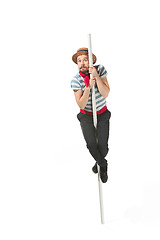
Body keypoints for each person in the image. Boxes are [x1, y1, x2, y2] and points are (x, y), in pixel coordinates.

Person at [71, 47, 111, 183]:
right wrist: (88, 87)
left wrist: (96, 77)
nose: (82, 63)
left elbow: (105, 93)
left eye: (85, 60)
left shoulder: (100, 69)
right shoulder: (75, 80)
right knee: (91, 145)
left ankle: (98, 161)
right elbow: (81, 104)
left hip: (102, 113)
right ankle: (103, 164)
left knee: (103, 148)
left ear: (91, 61)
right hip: (86, 115)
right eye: (79, 61)